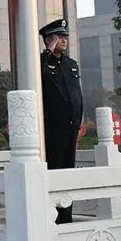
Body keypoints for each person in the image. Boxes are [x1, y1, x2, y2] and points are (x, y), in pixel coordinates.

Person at [40, 18, 84, 224]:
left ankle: (66, 216)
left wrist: (79, 121)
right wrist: (47, 53)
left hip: (71, 127)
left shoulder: (71, 65)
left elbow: (76, 95)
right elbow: (38, 75)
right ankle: (52, 217)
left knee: (68, 172)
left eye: (65, 37)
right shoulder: (42, 63)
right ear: (49, 40)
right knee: (54, 170)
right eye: (59, 37)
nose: (64, 40)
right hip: (52, 128)